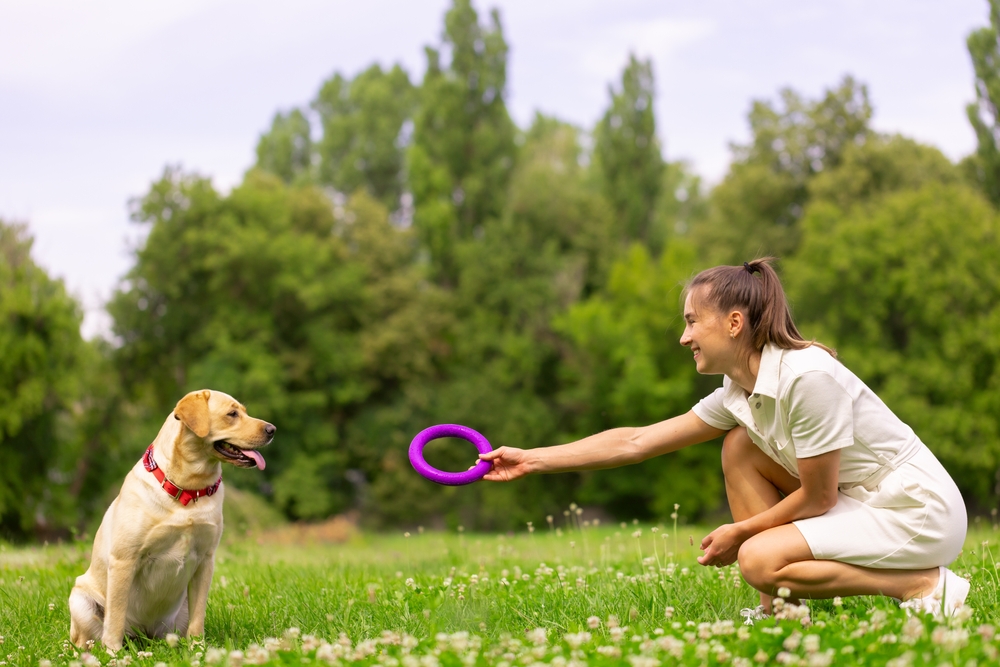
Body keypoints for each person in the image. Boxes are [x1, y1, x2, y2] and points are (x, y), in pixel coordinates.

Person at [479, 257, 969, 620]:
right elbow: (637, 441)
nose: (684, 337)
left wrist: (743, 533)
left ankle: (921, 585)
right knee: (740, 446)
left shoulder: (807, 377)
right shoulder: (739, 392)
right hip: (863, 500)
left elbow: (819, 498)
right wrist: (533, 459)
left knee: (757, 558)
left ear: (734, 323)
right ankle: (780, 616)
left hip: (915, 512)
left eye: (692, 321)